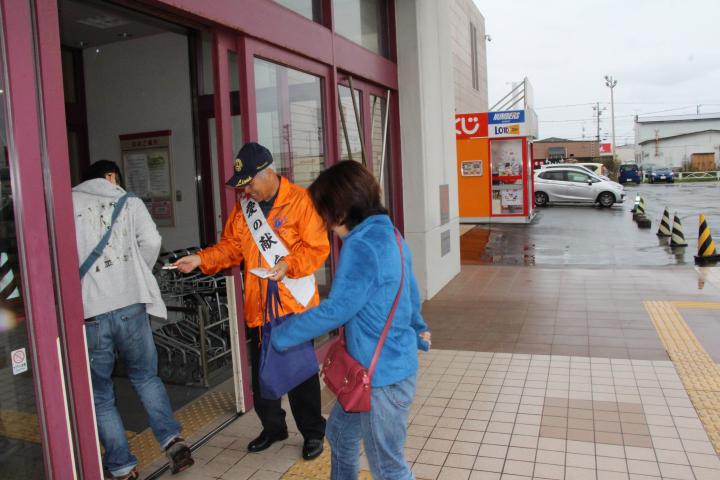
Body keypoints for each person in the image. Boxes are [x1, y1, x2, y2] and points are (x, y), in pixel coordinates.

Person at [270, 160, 431, 480]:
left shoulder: (362, 247)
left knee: (389, 467)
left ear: (341, 211)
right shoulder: (391, 234)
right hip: (374, 371)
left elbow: (336, 310)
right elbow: (409, 288)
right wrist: (418, 326)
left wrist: (282, 335)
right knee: (341, 435)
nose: (327, 224)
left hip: (380, 378)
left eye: (326, 214)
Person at [174, 142, 329, 460]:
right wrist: (200, 260)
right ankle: (274, 428)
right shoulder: (244, 210)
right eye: (241, 185)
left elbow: (317, 248)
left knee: (300, 374)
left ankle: (313, 432)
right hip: (258, 306)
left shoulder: (300, 202)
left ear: (268, 172)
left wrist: (287, 265)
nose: (245, 190)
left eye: (249, 183)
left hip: (294, 306)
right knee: (262, 373)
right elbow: (230, 248)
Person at [73, 160, 193, 479]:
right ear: (111, 177)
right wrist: (135, 272)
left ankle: (123, 468)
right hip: (130, 305)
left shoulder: (67, 203)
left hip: (90, 312)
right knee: (145, 377)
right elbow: (152, 242)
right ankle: (172, 441)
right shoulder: (129, 201)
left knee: (100, 393)